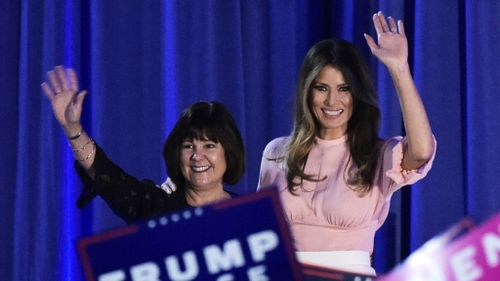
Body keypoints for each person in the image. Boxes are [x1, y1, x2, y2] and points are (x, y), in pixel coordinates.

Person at [257, 12, 436, 276]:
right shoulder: (276, 152)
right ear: (307, 91)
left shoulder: (376, 155)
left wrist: (399, 68)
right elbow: (261, 233)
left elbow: (421, 151)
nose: (332, 102)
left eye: (344, 89)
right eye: (321, 88)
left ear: (358, 93)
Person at [41, 66, 245, 224]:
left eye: (209, 146)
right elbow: (110, 179)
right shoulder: (155, 209)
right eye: (188, 146)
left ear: (228, 153)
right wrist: (73, 129)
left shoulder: (248, 217)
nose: (197, 156)